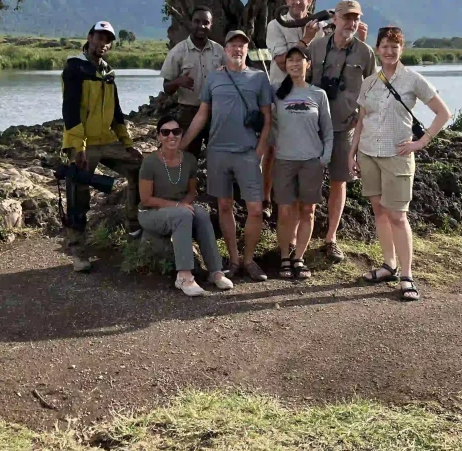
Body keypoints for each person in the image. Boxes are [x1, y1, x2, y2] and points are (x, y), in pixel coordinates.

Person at [351, 26, 452, 301]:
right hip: (368, 153)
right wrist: (353, 152)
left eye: (394, 46)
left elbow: (443, 113)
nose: (389, 50)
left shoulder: (413, 80)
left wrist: (421, 143)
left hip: (398, 156)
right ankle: (389, 265)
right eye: (384, 45)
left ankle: (407, 275)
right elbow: (361, 119)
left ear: (401, 49)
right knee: (379, 211)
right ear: (377, 48)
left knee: (397, 215)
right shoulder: (370, 81)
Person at [182, 30, 273, 281]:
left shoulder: (259, 78)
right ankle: (233, 260)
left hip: (247, 153)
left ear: (247, 50)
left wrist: (259, 152)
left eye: (242, 45)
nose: (237, 49)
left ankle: (250, 260)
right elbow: (202, 114)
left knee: (255, 209)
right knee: (224, 205)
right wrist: (182, 144)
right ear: (225, 49)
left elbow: (267, 119)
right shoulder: (214, 78)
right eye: (232, 44)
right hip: (218, 151)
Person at [61, 21, 143, 272]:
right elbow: (70, 110)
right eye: (99, 37)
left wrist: (128, 144)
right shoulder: (75, 68)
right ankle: (77, 249)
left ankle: (133, 227)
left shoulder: (108, 73)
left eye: (108, 39)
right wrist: (78, 147)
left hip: (107, 141)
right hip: (83, 143)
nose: (103, 43)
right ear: (89, 38)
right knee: (78, 192)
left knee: (139, 168)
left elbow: (116, 112)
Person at [306, 0, 376, 263]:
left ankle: (331, 239)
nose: (351, 23)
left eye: (355, 18)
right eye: (346, 17)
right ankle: (301, 239)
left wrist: (363, 125)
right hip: (314, 127)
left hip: (345, 128)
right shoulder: (316, 46)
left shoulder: (365, 52)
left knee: (339, 182)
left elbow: (372, 92)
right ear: (334, 18)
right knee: (310, 184)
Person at [138, 115, 232, 296]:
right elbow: (146, 199)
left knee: (202, 214)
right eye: (165, 132)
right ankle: (184, 276)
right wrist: (176, 206)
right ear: (158, 137)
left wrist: (183, 204)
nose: (171, 136)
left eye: (176, 131)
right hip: (151, 213)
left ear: (182, 134)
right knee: (183, 214)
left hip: (179, 208)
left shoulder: (189, 160)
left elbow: (192, 192)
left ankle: (216, 272)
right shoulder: (150, 162)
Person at [271, 45, 334, 279]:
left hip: (311, 161)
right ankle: (284, 257)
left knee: (308, 211)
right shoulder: (276, 91)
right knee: (285, 211)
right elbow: (267, 121)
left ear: (308, 64)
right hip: (284, 160)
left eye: (300, 60)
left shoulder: (318, 94)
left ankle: (299, 258)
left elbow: (327, 130)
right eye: (290, 60)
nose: (295, 64)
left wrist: (324, 158)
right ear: (285, 65)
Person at [263, 0, 323, 211]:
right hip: (281, 94)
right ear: (287, 1)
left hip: (310, 96)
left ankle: (298, 199)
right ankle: (266, 198)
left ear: (310, 0)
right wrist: (306, 39)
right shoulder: (276, 25)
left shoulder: (320, 27)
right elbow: (281, 61)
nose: (298, 2)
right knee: (273, 148)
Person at [159, 6, 226, 157]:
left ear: (211, 25)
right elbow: (166, 88)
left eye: (206, 22)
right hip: (188, 113)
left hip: (215, 113)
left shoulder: (220, 51)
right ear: (190, 23)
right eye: (197, 21)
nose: (201, 26)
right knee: (188, 157)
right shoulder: (178, 51)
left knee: (218, 156)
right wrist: (178, 82)